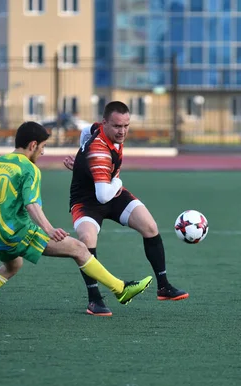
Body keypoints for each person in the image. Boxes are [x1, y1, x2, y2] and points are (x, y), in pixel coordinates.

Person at [0, 121, 152, 320]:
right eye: (42, 147)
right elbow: (32, 204)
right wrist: (48, 229)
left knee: (12, 267)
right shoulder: (28, 169)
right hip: (19, 232)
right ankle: (121, 289)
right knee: (79, 249)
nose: (43, 152)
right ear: (32, 145)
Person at [64, 101, 188, 317]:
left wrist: (81, 161)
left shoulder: (97, 129)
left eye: (126, 126)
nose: (122, 131)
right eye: (117, 126)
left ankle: (164, 287)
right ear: (106, 123)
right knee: (87, 240)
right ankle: (94, 300)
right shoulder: (99, 152)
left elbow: (85, 132)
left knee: (149, 226)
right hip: (87, 200)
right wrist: (114, 180)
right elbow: (102, 195)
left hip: (108, 189)